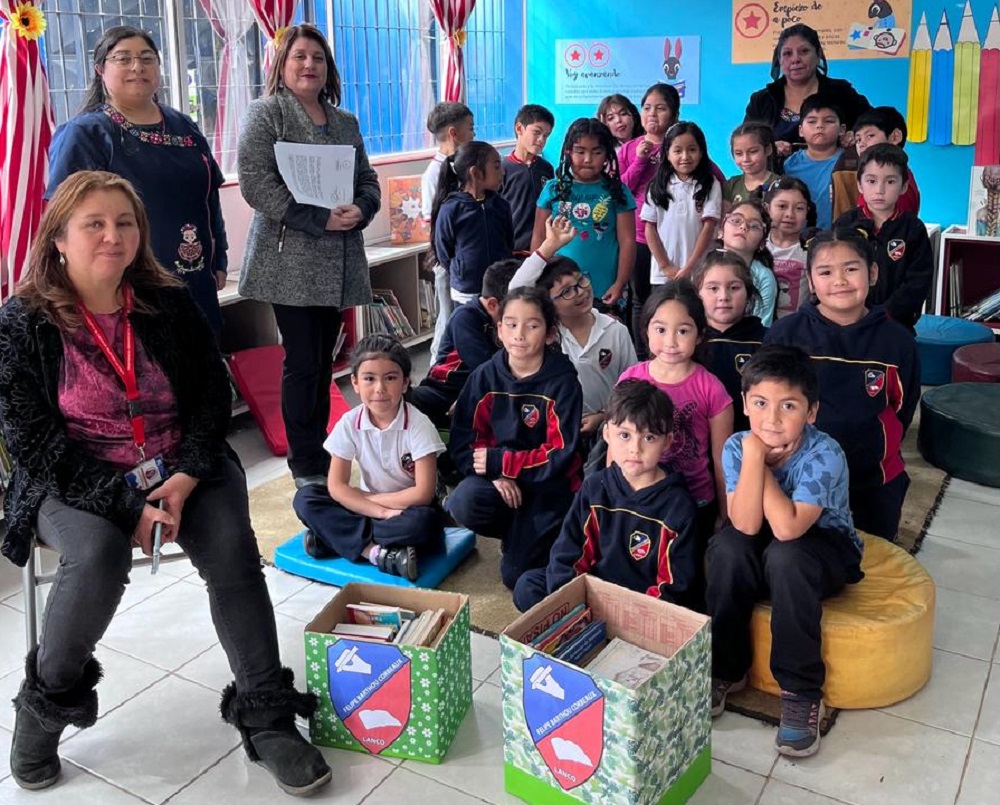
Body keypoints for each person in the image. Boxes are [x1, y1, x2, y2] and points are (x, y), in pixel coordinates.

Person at [0, 171, 330, 796]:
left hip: (184, 463)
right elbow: (35, 446)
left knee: (232, 547)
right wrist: (128, 506)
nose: (112, 236)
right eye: (93, 224)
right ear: (59, 238)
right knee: (95, 554)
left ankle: (267, 718)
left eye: (124, 223)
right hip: (73, 478)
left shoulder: (166, 299)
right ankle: (40, 712)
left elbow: (211, 398)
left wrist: (180, 480)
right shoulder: (21, 323)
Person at [237, 24, 381, 488]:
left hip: (339, 256)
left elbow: (368, 180)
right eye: (299, 56)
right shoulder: (266, 113)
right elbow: (257, 183)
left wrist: (362, 208)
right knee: (302, 361)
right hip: (291, 260)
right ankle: (306, 467)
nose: (308, 65)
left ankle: (321, 450)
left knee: (324, 362)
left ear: (328, 68)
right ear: (282, 64)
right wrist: (318, 218)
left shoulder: (345, 122)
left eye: (317, 58)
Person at [707, 344, 863, 759]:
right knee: (726, 548)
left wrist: (759, 462)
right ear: (744, 404)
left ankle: (801, 690)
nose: (772, 419)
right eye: (760, 403)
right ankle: (725, 667)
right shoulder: (738, 446)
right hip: (766, 533)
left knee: (786, 556)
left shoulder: (824, 453)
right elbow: (744, 525)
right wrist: (754, 456)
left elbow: (789, 527)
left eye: (788, 406)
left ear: (811, 412)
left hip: (825, 545)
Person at [47, 26, 229, 334]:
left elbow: (209, 198)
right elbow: (64, 221)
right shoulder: (87, 134)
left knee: (199, 370)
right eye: (123, 58)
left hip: (195, 279)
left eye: (147, 58)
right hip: (123, 286)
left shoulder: (184, 126)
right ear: (100, 68)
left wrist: (220, 257)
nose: (137, 67)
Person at [765, 227, 920, 541]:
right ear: (811, 280)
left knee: (871, 570)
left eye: (851, 269)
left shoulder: (897, 342)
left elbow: (902, 410)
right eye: (825, 271)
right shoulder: (785, 336)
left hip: (873, 482)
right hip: (797, 480)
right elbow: (766, 404)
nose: (839, 281)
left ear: (872, 273)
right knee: (801, 563)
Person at [513, 380, 698, 612]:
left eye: (649, 438)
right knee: (528, 586)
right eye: (624, 435)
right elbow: (568, 552)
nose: (635, 449)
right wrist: (573, 603)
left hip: (640, 608)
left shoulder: (678, 507)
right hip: (592, 597)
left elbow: (674, 585)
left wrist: (633, 617)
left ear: (667, 442)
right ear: (607, 433)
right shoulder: (595, 487)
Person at [446, 287, 583, 591]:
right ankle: (513, 529)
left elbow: (559, 454)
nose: (519, 334)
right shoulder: (483, 377)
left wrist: (503, 463)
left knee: (515, 576)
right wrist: (496, 474)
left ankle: (530, 535)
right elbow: (463, 444)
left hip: (549, 490)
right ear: (499, 330)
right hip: (501, 481)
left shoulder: (563, 381)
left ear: (549, 333)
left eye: (532, 325)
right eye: (511, 324)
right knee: (463, 501)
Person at [618, 281, 734, 608]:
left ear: (699, 335)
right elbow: (617, 446)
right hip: (640, 499)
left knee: (685, 585)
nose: (670, 341)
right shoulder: (630, 379)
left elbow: (722, 457)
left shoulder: (711, 388)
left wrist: (725, 512)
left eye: (682, 331)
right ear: (646, 330)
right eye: (660, 329)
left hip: (695, 503)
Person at [293, 335, 445, 580]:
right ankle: (374, 553)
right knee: (306, 498)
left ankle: (331, 539)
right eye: (369, 379)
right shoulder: (349, 423)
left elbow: (422, 493)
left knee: (426, 524)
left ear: (405, 382)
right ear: (355, 382)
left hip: (406, 509)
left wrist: (372, 501)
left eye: (390, 378)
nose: (380, 389)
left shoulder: (418, 425)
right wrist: (379, 511)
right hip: (368, 509)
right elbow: (337, 486)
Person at [509, 216, 637, 450]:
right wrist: (549, 245)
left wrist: (605, 416)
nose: (580, 293)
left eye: (581, 282)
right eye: (566, 291)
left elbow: (631, 386)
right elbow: (515, 291)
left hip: (607, 429)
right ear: (547, 304)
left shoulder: (615, 330)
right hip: (553, 432)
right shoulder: (548, 336)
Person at [531, 118, 637, 311]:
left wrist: (620, 283)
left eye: (596, 152)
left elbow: (627, 241)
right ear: (568, 152)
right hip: (558, 291)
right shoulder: (553, 188)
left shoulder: (617, 191)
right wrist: (536, 278)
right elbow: (538, 236)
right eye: (580, 151)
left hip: (603, 291)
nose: (588, 159)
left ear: (607, 155)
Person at [407, 257, 522, 429]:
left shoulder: (514, 324)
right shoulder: (466, 317)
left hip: (479, 390)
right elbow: (486, 368)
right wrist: (470, 396)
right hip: (442, 391)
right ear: (492, 304)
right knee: (407, 405)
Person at [834, 144, 933, 331]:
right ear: (859, 185)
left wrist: (889, 312)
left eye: (890, 182)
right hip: (848, 321)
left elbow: (919, 280)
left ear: (904, 186)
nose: (879, 190)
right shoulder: (845, 224)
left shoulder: (912, 228)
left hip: (896, 323)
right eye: (871, 181)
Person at [744, 23, 871, 162]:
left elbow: (878, 125)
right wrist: (769, 149)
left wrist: (857, 134)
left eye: (804, 51)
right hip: (776, 180)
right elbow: (745, 143)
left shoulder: (841, 92)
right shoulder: (762, 100)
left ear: (818, 55)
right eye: (787, 53)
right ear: (779, 60)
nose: (795, 59)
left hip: (835, 178)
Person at [619, 84, 681, 354]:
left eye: (661, 108)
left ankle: (667, 351)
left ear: (674, 115)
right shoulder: (629, 149)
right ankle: (642, 356)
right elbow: (620, 191)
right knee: (640, 300)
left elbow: (712, 176)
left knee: (669, 300)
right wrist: (640, 161)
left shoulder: (681, 145)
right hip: (638, 238)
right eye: (647, 108)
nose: (653, 114)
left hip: (673, 238)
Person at [421, 102, 476, 358]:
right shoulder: (435, 172)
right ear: (454, 133)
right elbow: (433, 224)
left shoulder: (460, 166)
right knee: (448, 316)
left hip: (463, 259)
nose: (474, 134)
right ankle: (436, 366)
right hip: (447, 261)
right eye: (471, 129)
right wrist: (447, 259)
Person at [432, 141, 514, 309]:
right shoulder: (451, 209)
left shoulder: (501, 205)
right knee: (470, 331)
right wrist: (461, 270)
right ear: (475, 173)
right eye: (497, 167)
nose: (503, 172)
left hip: (498, 287)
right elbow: (444, 252)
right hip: (466, 291)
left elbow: (508, 241)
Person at [641, 122, 722, 288]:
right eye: (678, 150)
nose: (685, 156)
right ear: (668, 154)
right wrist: (665, 266)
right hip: (663, 275)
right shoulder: (657, 185)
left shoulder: (709, 184)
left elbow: (708, 228)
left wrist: (690, 268)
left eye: (692, 149)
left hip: (698, 272)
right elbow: (650, 227)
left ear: (701, 152)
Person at [692, 250, 765, 432]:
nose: (724, 296)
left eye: (734, 287)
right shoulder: (688, 341)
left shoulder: (766, 341)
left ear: (748, 293)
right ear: (697, 294)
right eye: (713, 288)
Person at [782, 95, 859, 228]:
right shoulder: (789, 164)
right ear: (801, 130)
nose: (819, 126)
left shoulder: (851, 163)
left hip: (840, 238)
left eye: (828, 121)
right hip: (799, 240)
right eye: (812, 121)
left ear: (842, 129)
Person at [501, 104, 555, 252]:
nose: (541, 140)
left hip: (540, 250)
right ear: (519, 129)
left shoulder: (546, 168)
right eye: (536, 132)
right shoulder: (501, 169)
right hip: (509, 250)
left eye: (546, 136)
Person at [720, 200, 778, 326]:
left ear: (762, 243)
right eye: (736, 221)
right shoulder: (704, 266)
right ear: (721, 231)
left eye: (754, 226)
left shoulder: (764, 277)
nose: (743, 227)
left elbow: (762, 326)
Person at [853, 106, 920, 214]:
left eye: (870, 136)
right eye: (858, 139)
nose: (861, 144)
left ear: (895, 137)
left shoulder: (900, 186)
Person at [764, 177, 815, 319]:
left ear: (807, 211)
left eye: (799, 208)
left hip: (798, 330)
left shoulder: (812, 250)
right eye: (782, 206)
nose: (790, 214)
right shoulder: (757, 246)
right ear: (767, 208)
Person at [724, 122, 780, 210]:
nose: (745, 159)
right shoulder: (730, 185)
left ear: (768, 149)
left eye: (753, 151)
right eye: (739, 153)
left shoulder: (779, 184)